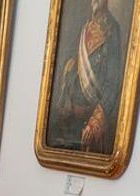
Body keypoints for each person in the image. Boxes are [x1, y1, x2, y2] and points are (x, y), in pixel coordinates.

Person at [51, 0, 122, 154]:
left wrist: (96, 120)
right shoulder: (85, 27)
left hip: (91, 122)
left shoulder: (112, 30)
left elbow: (113, 81)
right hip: (71, 119)